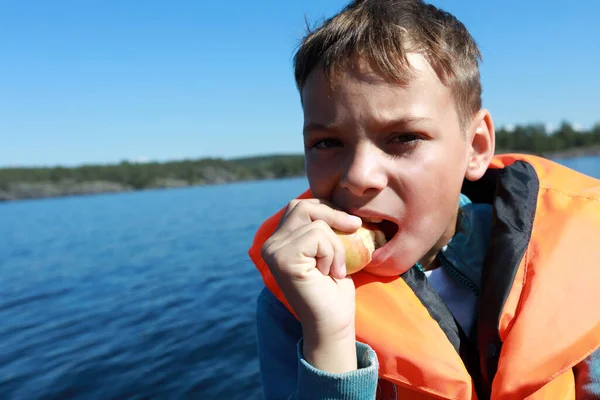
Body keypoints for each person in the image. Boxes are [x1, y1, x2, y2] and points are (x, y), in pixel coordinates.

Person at [248, 0, 600, 398]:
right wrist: (329, 338)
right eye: (328, 142)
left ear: (476, 146)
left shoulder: (584, 252)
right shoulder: (290, 304)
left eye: (403, 137)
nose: (358, 176)